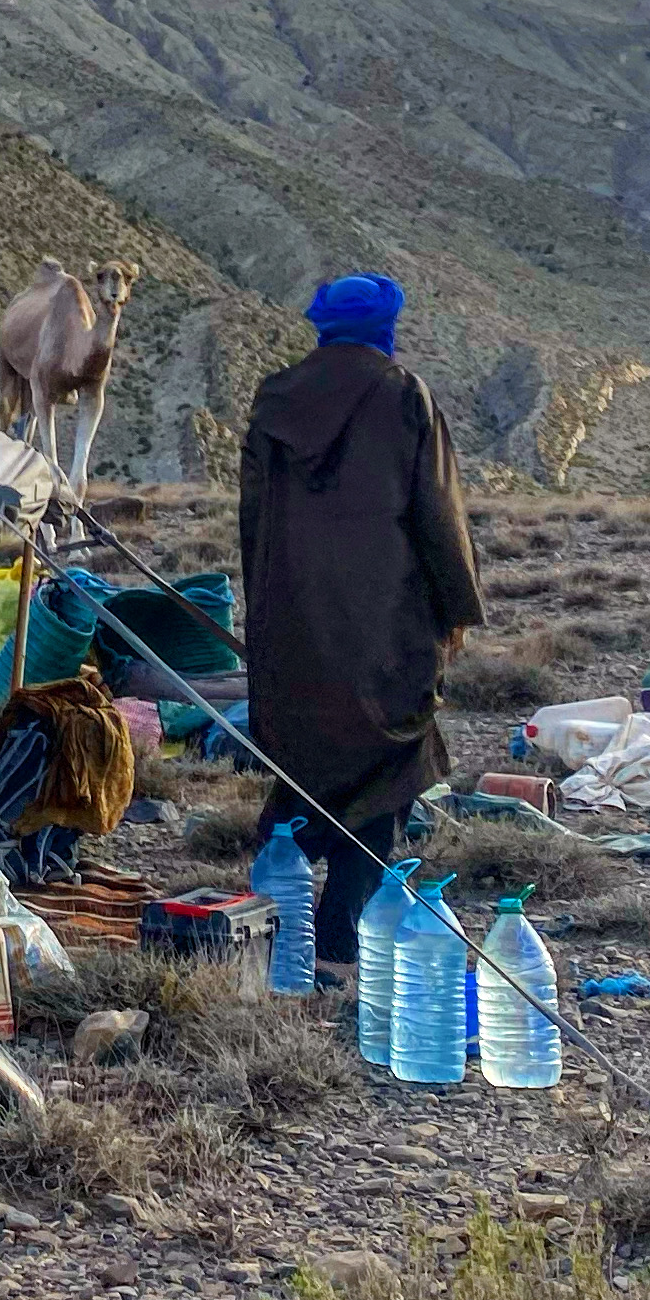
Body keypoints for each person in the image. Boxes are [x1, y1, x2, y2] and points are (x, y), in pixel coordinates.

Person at [236, 269, 482, 978]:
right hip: (384, 624)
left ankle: (274, 910)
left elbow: (253, 519)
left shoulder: (274, 400)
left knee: (307, 756)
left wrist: (267, 612)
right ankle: (340, 928)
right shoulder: (404, 397)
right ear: (385, 324)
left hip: (292, 624)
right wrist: (457, 609)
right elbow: (439, 513)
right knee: (385, 761)